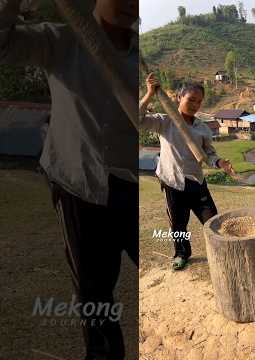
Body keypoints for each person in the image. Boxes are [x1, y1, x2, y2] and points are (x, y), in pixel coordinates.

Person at [0, 1, 139, 359]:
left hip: (134, 188)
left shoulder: (142, 57)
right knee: (94, 295)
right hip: (80, 187)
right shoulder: (61, 41)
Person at [139, 73, 236, 270]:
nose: (194, 105)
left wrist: (220, 163)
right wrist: (149, 94)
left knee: (213, 221)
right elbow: (136, 119)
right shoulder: (164, 122)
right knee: (178, 226)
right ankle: (182, 253)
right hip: (172, 183)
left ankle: (224, 252)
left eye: (199, 102)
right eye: (191, 99)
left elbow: (209, 154)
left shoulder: (203, 129)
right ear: (178, 98)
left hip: (196, 183)